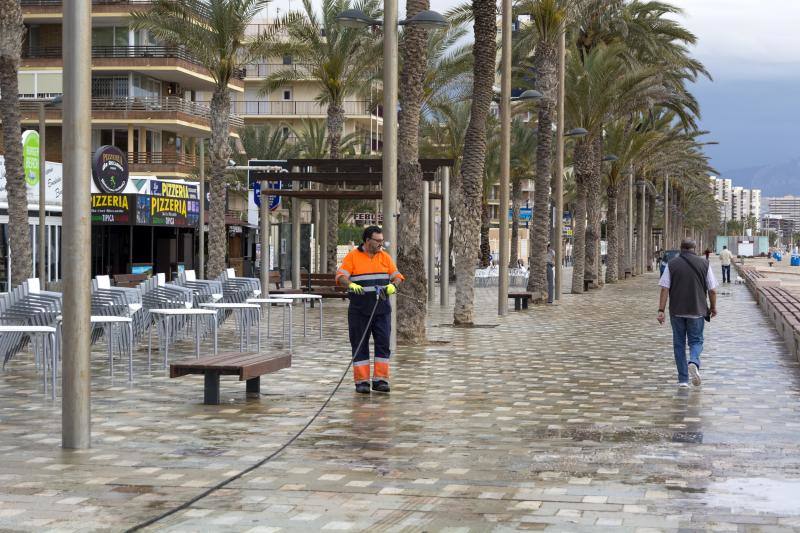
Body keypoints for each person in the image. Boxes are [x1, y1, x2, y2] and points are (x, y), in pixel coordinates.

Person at [336, 226, 404, 394]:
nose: (381, 244)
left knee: (383, 344)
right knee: (359, 344)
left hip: (382, 310)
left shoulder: (385, 257)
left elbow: (397, 276)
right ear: (367, 241)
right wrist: (350, 284)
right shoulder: (352, 257)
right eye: (378, 241)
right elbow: (340, 276)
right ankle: (362, 382)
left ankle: (381, 380)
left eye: (382, 240)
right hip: (359, 310)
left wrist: (392, 285)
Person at [657, 238, 718, 387]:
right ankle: (694, 361)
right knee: (696, 341)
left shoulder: (672, 264)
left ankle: (683, 380)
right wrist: (713, 307)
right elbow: (712, 290)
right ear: (695, 248)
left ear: (681, 248)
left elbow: (665, 288)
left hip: (677, 311)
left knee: (679, 344)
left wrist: (661, 310)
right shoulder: (705, 264)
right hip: (697, 310)